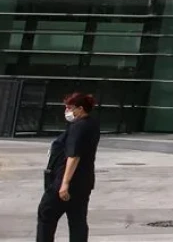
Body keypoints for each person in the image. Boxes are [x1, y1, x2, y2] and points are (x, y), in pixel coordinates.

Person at [36, 92, 101, 242]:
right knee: (77, 220)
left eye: (70, 107)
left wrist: (65, 183)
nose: (67, 111)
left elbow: (74, 155)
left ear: (81, 108)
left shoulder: (78, 127)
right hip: (83, 181)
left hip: (66, 179)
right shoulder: (91, 124)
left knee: (46, 214)